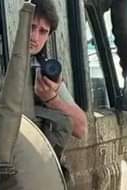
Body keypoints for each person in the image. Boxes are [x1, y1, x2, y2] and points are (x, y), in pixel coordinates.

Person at [30, 0, 88, 139]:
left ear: (48, 37)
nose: (34, 37)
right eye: (31, 27)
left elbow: (82, 129)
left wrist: (51, 98)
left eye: (43, 31)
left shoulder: (41, 68)